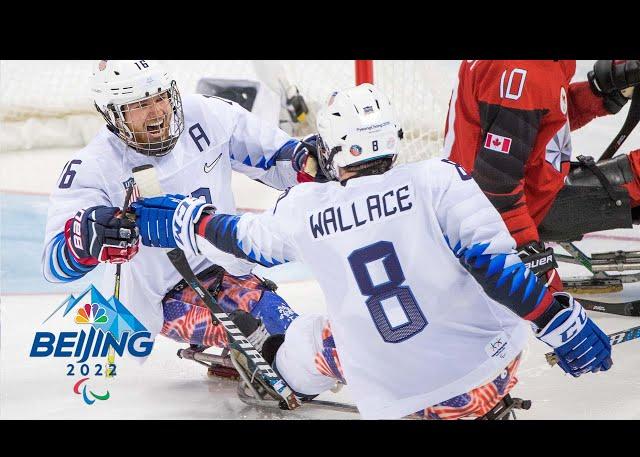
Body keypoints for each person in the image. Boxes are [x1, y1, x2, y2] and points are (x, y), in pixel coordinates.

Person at [132, 83, 613, 419]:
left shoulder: (307, 206)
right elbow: (497, 270)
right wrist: (560, 322)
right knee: (488, 269)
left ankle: (283, 375)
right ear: (394, 137)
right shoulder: (439, 180)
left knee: (309, 337)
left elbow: (241, 238)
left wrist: (184, 218)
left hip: (400, 397)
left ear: (335, 148)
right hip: (491, 378)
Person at [41, 60, 320, 355]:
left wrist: (306, 159)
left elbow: (276, 155)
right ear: (112, 112)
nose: (157, 111)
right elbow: (52, 265)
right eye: (141, 103)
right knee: (263, 335)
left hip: (223, 267)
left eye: (161, 96)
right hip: (158, 296)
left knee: (282, 327)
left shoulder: (205, 114)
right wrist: (83, 243)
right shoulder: (92, 167)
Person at [442, 60, 640, 292]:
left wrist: (598, 92)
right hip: (517, 212)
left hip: (525, 195)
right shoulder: (519, 71)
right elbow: (497, 188)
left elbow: (544, 118)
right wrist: (540, 277)